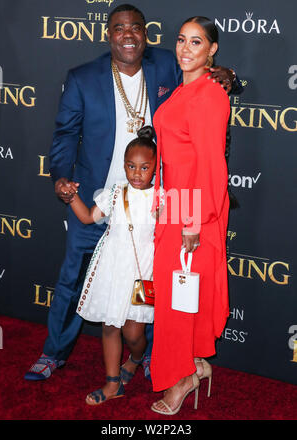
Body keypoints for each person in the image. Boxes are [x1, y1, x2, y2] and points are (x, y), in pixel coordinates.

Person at [24, 4, 240, 382]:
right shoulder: (82, 78)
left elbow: (202, 80)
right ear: (108, 34)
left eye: (135, 28)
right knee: (73, 280)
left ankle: (153, 357)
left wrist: (227, 76)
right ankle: (53, 352)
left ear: (146, 34)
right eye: (119, 28)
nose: (128, 35)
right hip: (101, 200)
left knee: (150, 286)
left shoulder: (167, 64)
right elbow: (64, 136)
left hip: (154, 206)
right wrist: (60, 175)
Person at [150, 16, 230, 415]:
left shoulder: (210, 95)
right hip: (173, 206)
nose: (185, 49)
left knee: (181, 300)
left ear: (211, 49)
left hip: (193, 210)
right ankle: (197, 363)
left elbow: (212, 167)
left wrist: (193, 221)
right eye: (181, 40)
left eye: (196, 42)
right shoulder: (186, 89)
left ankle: (184, 376)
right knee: (177, 296)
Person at [59, 127, 157, 404]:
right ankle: (113, 383)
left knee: (134, 332)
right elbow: (90, 217)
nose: (136, 173)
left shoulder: (162, 197)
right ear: (123, 165)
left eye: (144, 167)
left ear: (154, 167)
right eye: (131, 166)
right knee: (110, 326)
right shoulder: (115, 193)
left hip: (143, 272)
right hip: (112, 267)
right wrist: (71, 196)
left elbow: (178, 229)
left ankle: (136, 358)